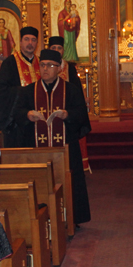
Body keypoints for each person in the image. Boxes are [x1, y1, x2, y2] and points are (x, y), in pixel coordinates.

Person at [14, 49, 91, 224]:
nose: (45, 69)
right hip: (37, 150)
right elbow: (17, 113)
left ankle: (71, 218)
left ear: (59, 68)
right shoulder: (28, 91)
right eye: (42, 65)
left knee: (69, 180)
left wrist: (67, 115)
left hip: (65, 149)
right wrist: (27, 115)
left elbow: (82, 116)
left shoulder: (70, 90)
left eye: (50, 65)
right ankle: (41, 219)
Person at [49, 35, 91, 171]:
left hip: (67, 114)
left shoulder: (69, 68)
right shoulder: (43, 67)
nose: (56, 50)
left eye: (59, 48)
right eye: (53, 48)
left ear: (63, 50)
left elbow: (77, 90)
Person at [0, 26, 40, 147]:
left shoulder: (41, 63)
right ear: (20, 42)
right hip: (18, 123)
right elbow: (1, 91)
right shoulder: (9, 63)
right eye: (26, 39)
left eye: (33, 40)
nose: (30, 43)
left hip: (39, 121)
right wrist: (23, 92)